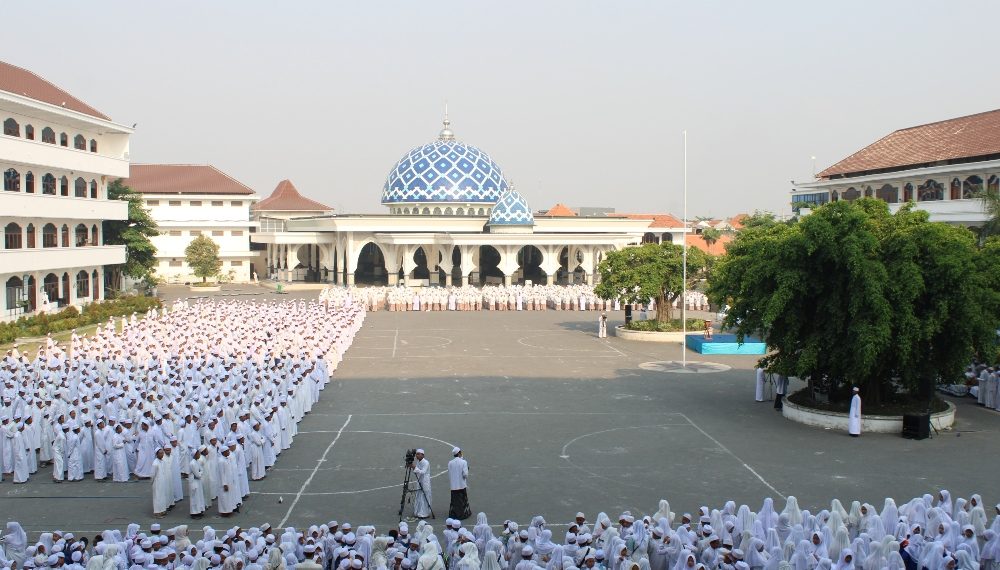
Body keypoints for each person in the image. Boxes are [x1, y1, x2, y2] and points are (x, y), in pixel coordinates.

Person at [448, 447, 471, 520]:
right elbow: (465, 475)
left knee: (454, 500)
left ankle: (454, 513)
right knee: (462, 500)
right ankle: (462, 514)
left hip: (453, 485)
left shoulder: (450, 463)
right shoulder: (463, 462)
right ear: (459, 453)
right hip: (461, 485)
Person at [412, 449, 433, 519]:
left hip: (425, 481)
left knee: (425, 495)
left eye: (418, 454)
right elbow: (417, 471)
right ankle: (418, 511)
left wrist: (414, 467)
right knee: (419, 495)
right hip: (420, 480)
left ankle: (425, 513)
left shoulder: (426, 462)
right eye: (416, 454)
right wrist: (414, 468)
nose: (417, 455)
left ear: (422, 455)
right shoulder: (418, 461)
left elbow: (423, 472)